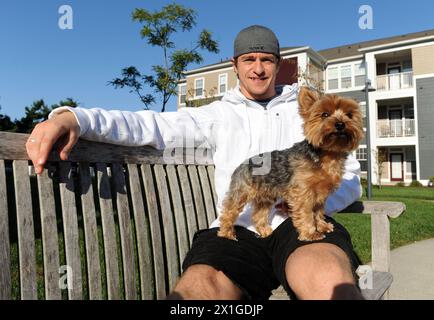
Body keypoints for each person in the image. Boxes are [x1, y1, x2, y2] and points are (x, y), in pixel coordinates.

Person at [26, 25, 364, 300]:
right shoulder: (215, 115)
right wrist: (76, 118)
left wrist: (312, 204)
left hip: (298, 226)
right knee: (200, 287)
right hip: (239, 231)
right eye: (249, 59)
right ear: (235, 65)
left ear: (278, 63)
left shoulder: (308, 111)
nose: (258, 69)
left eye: (266, 59)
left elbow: (348, 176)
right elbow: (151, 125)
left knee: (328, 278)